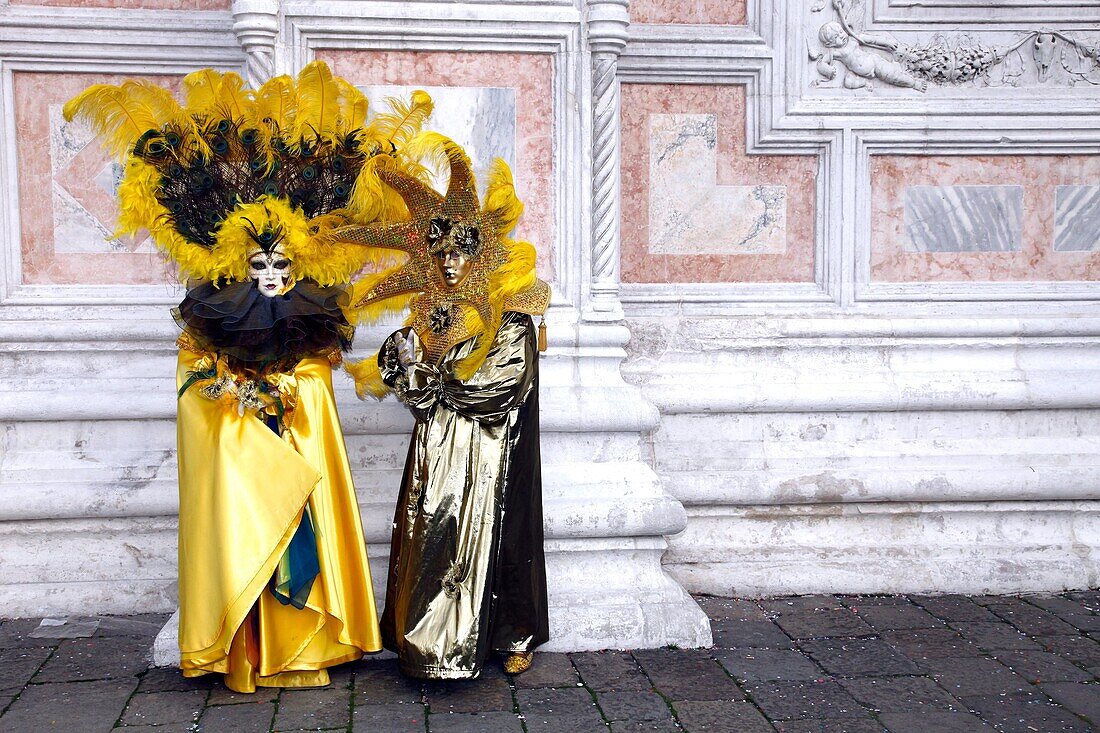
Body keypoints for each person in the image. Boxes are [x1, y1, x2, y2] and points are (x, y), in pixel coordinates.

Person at [64, 63, 434, 691]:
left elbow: (320, 374)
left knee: (298, 522)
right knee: (244, 528)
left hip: (293, 440)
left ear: (301, 261)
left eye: (282, 261)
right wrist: (230, 391)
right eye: (259, 262)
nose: (270, 274)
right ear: (238, 261)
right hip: (241, 455)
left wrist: (292, 390)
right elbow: (194, 378)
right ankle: (245, 648)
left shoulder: (311, 318)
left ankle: (304, 648)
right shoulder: (212, 317)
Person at [340, 134, 551, 678]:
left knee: (491, 540)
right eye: (442, 252)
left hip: (489, 453)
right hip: (436, 451)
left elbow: (501, 385)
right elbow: (408, 375)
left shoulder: (511, 316)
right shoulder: (430, 312)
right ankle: (423, 645)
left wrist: (432, 382)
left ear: (481, 253)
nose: (452, 263)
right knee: (431, 534)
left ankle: (506, 637)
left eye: (462, 250)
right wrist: (409, 367)